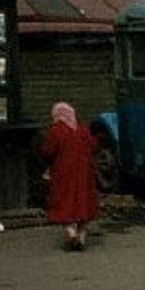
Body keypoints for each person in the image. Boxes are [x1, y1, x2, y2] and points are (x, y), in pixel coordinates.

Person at [41, 101, 99, 250]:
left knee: (64, 203)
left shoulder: (56, 131)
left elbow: (47, 151)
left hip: (63, 173)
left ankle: (72, 234)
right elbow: (94, 145)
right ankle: (81, 237)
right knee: (84, 203)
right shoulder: (82, 129)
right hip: (85, 173)